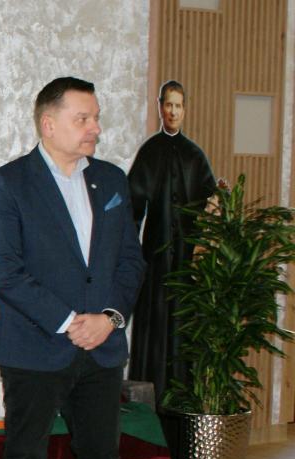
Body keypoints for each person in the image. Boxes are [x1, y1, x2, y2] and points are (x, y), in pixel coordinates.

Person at [0, 77, 146, 459]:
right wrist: (69, 321)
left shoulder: (112, 180)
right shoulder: (9, 183)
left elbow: (131, 261)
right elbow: (6, 269)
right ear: (48, 124)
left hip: (101, 347)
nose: (95, 127)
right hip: (35, 347)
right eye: (83, 118)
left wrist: (110, 319)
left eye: (96, 117)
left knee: (100, 457)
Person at [127, 80, 216, 408]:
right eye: (168, 105)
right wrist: (131, 258)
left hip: (187, 263)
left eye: (178, 105)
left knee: (182, 333)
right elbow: (132, 209)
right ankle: (150, 412)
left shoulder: (195, 155)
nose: (173, 111)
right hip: (155, 262)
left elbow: (212, 202)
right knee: (153, 332)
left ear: (184, 109)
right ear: (160, 107)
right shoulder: (150, 152)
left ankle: (181, 410)